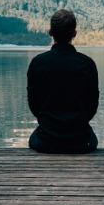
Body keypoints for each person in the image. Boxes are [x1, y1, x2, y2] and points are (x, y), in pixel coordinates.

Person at [26, 8, 99, 153]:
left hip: (46, 141)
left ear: (50, 33)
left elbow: (34, 104)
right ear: (74, 34)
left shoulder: (38, 63)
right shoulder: (87, 64)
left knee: (34, 139)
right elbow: (92, 106)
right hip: (81, 141)